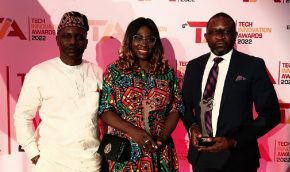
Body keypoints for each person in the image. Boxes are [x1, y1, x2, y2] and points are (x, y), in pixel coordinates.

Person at [182, 12, 281, 172]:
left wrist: (233, 141)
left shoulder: (252, 66)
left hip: (238, 158)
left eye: (226, 31)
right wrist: (192, 127)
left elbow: (271, 114)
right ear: (206, 36)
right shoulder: (194, 66)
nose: (220, 36)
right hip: (201, 158)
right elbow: (185, 106)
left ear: (235, 35)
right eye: (214, 32)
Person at [14, 11, 102, 171]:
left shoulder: (97, 72)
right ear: (57, 40)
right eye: (66, 36)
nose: (73, 42)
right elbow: (22, 116)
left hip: (90, 164)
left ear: (86, 42)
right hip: (51, 164)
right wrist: (34, 153)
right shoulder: (40, 72)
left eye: (79, 37)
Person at [98, 17, 184, 172]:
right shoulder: (115, 71)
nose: (144, 44)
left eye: (150, 39)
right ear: (130, 40)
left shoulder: (168, 73)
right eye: (138, 38)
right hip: (125, 150)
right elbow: (105, 110)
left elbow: (176, 107)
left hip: (159, 149)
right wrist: (133, 131)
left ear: (156, 42)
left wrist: (162, 138)